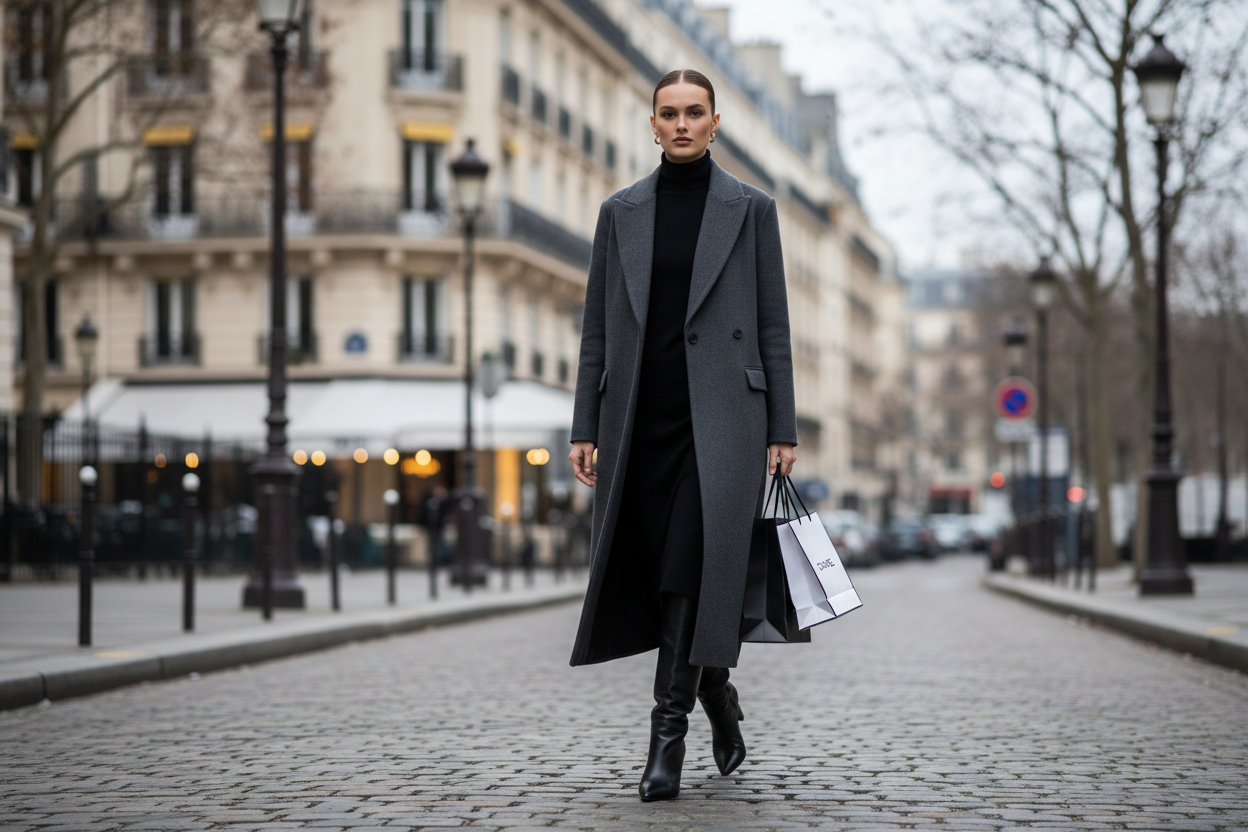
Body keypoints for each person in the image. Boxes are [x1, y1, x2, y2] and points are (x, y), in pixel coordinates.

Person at [567, 69, 797, 801]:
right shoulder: (620, 212)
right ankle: (718, 694)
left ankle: (666, 739)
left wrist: (782, 426)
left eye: (695, 113)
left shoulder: (751, 210)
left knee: (692, 564)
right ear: (653, 123)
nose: (682, 125)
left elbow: (773, 326)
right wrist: (583, 424)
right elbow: (597, 329)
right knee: (673, 575)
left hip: (725, 418)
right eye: (669, 114)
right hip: (641, 417)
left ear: (716, 121)